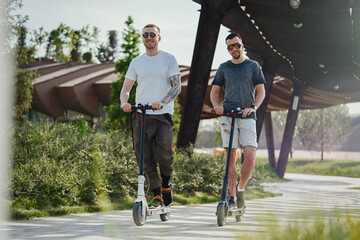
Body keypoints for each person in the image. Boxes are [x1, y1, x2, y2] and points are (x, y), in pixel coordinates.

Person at [120, 24, 181, 208]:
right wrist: (124, 102)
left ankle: (165, 185)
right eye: (145, 34)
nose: (149, 37)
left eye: (152, 34)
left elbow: (176, 86)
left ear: (159, 37)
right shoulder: (136, 62)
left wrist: (162, 101)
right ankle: (157, 195)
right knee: (143, 158)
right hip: (141, 114)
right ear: (142, 38)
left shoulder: (168, 59)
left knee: (163, 154)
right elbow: (126, 89)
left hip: (162, 114)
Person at [210, 32, 266, 209]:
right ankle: (232, 196)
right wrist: (217, 106)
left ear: (242, 45)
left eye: (237, 45)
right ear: (227, 49)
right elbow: (214, 92)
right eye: (230, 47)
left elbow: (261, 91)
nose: (234, 49)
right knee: (230, 157)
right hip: (228, 116)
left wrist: (254, 107)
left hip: (247, 116)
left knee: (250, 157)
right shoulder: (223, 67)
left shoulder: (253, 66)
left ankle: (240, 189)